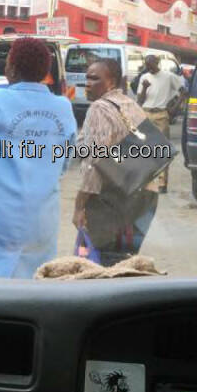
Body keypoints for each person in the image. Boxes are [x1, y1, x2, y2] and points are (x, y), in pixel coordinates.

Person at [0, 38, 77, 278]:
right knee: (32, 292)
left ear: (10, 69)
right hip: (42, 221)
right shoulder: (63, 108)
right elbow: (63, 165)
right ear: (44, 71)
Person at [73, 58, 155, 266]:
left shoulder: (99, 108)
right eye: (87, 78)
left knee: (99, 267)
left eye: (95, 78)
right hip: (144, 196)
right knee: (123, 263)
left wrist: (79, 205)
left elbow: (95, 160)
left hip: (113, 199)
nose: (88, 83)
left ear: (111, 82)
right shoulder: (131, 104)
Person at [136, 55, 183, 193]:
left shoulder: (168, 77)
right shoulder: (144, 78)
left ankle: (162, 183)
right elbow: (140, 100)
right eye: (146, 65)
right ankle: (146, 181)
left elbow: (183, 91)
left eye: (150, 64)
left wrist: (175, 107)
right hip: (145, 113)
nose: (148, 67)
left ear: (157, 63)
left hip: (161, 114)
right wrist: (144, 88)